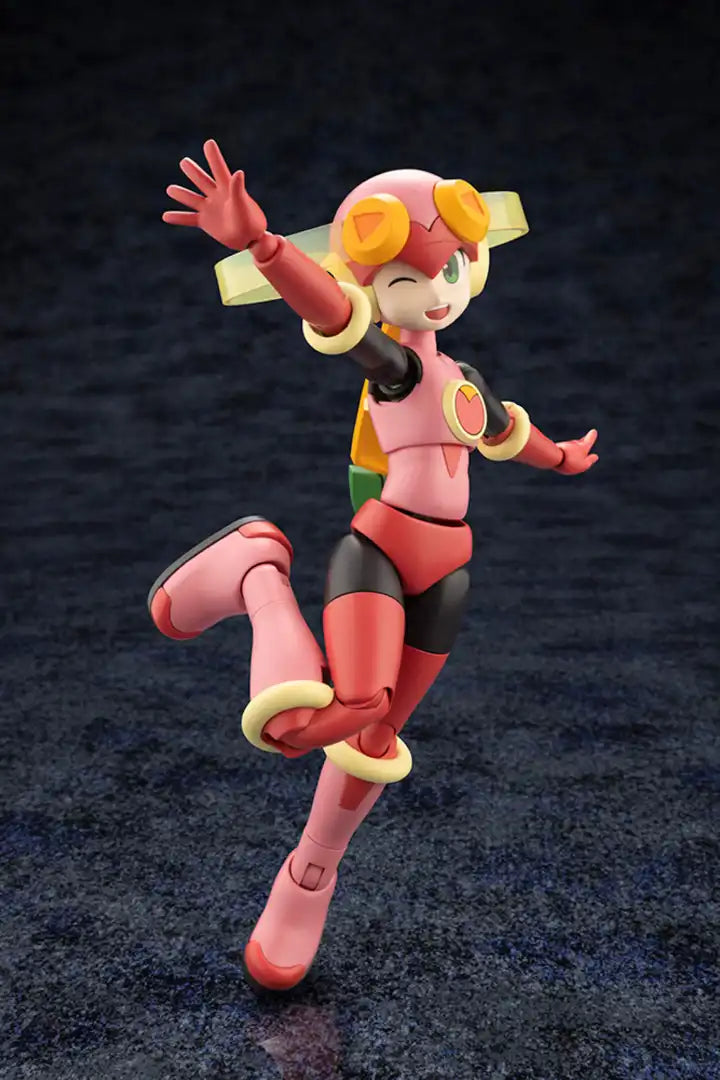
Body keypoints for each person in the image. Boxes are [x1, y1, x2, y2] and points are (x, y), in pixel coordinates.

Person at [148, 140, 599, 990]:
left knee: (376, 734)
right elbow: (331, 313)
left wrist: (562, 457)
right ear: (373, 287)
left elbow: (506, 431)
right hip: (383, 553)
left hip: (448, 573)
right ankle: (258, 576)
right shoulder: (396, 368)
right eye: (408, 278)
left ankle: (310, 872)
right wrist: (264, 245)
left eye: (451, 267)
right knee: (332, 713)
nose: (436, 290)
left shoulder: (461, 375)